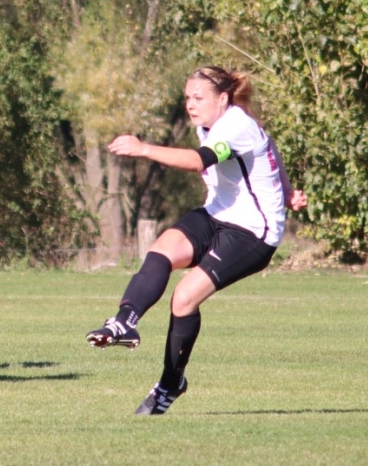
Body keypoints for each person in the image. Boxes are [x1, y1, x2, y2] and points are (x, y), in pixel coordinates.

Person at [86, 66, 307, 414]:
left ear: (223, 99)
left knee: (184, 299)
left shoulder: (235, 126)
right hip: (218, 213)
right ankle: (125, 321)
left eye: (198, 98)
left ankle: (170, 384)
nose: (190, 104)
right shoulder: (211, 121)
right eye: (187, 97)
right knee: (161, 251)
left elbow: (196, 162)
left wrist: (143, 148)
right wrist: (289, 188)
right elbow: (271, 146)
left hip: (254, 233)